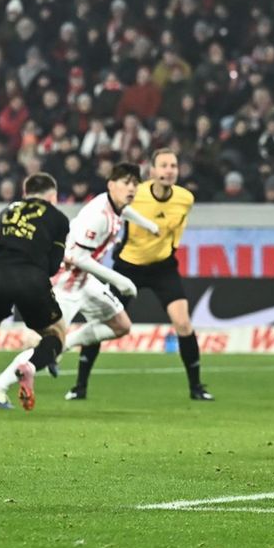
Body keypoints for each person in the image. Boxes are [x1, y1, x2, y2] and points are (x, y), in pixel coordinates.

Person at [0, 163, 147, 409]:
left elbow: (125, 213)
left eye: (135, 183)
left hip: (85, 280)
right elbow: (78, 258)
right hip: (66, 283)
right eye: (126, 183)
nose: (132, 188)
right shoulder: (98, 216)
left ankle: (64, 346)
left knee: (121, 325)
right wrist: (120, 281)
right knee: (50, 341)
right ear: (111, 185)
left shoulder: (114, 204)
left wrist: (151, 226)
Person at [67, 149, 207, 401]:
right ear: (151, 171)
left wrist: (170, 247)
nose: (169, 170)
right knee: (103, 322)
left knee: (183, 323)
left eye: (173, 165)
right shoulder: (135, 193)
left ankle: (197, 388)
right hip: (129, 266)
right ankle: (80, 386)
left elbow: (178, 227)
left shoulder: (185, 198)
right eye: (163, 165)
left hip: (163, 267)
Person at [0, 173, 71, 412]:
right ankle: (30, 366)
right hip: (31, 279)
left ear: (25, 193)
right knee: (56, 334)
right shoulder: (59, 218)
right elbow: (53, 266)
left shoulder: (7, 211)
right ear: (52, 195)